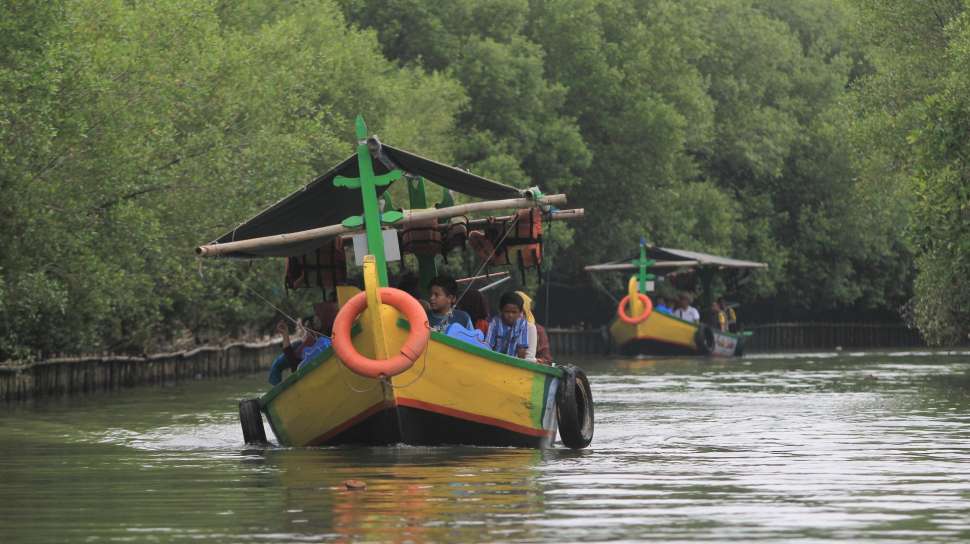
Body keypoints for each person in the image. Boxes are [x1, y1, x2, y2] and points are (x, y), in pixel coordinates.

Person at [267, 309, 334, 385]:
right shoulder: (302, 346)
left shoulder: (325, 341)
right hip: (303, 377)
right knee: (278, 364)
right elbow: (292, 360)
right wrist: (285, 334)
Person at [485, 291, 530, 358]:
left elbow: (522, 348)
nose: (510, 315)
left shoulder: (522, 323)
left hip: (512, 362)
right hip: (494, 360)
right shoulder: (495, 322)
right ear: (501, 310)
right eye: (507, 311)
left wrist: (521, 356)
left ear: (520, 312)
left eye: (514, 312)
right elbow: (488, 346)